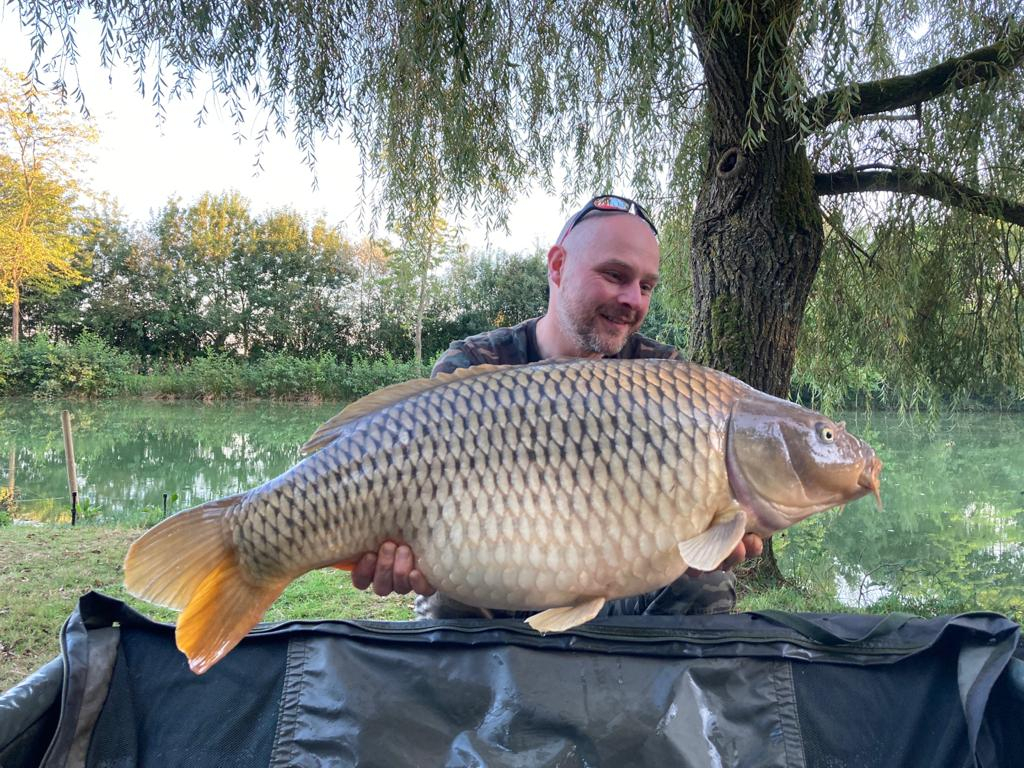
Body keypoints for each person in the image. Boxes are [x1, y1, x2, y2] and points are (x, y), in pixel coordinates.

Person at [350, 194, 763, 619]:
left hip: (622, 583)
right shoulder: (474, 364)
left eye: (645, 286)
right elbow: (422, 500)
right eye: (615, 275)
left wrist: (711, 536)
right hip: (500, 579)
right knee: (445, 591)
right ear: (557, 266)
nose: (633, 300)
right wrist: (399, 554)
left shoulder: (665, 376)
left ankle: (638, 664)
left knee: (708, 581)